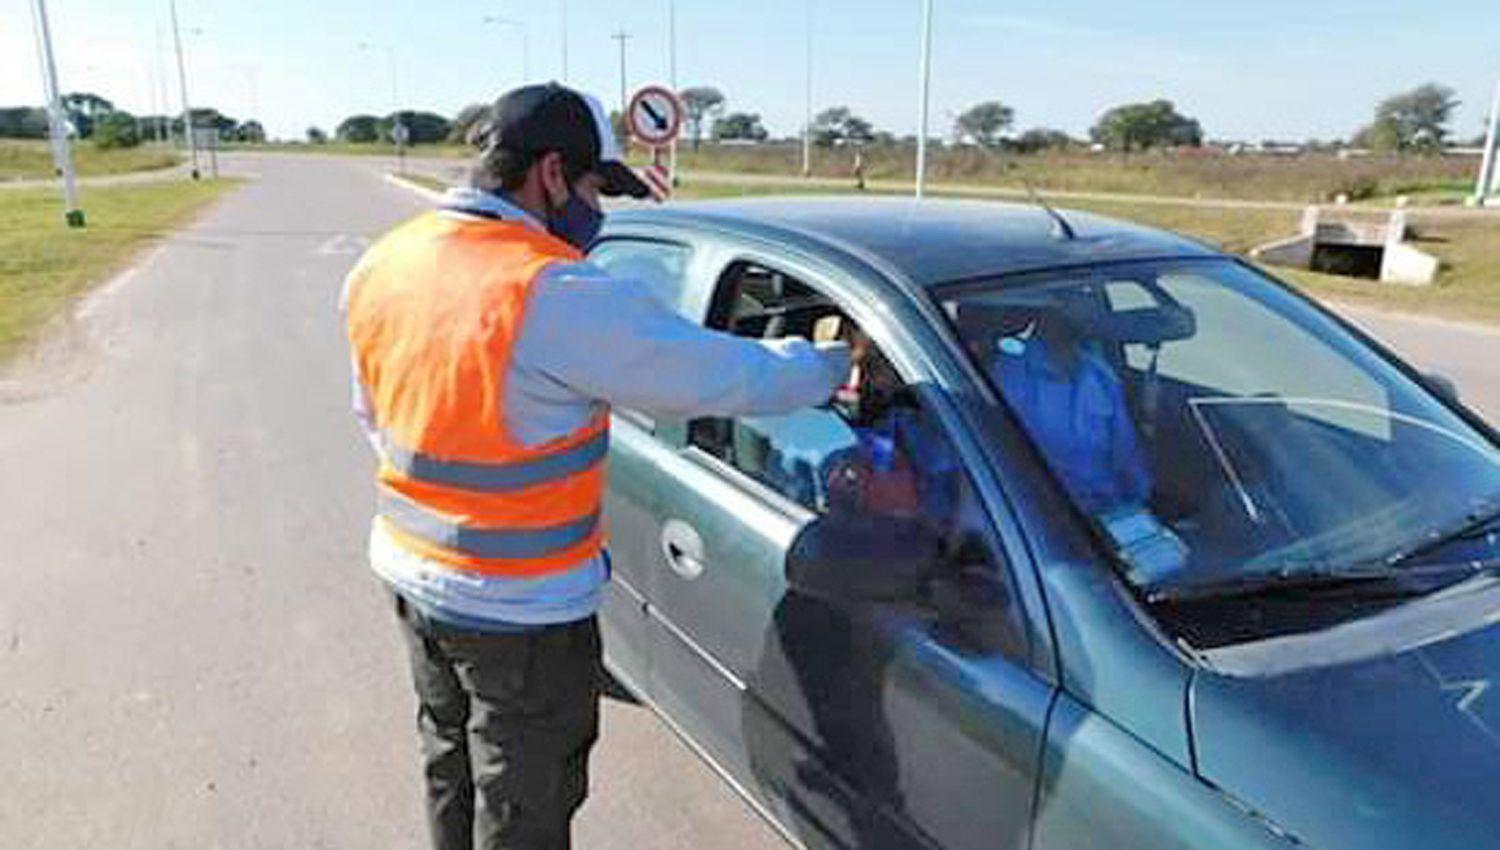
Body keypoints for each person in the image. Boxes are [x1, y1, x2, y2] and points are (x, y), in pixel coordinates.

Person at [342, 83, 849, 850]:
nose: (596, 210)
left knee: (451, 761)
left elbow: (375, 415)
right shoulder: (552, 292)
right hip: (517, 610)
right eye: (588, 186)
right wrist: (833, 362)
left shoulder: (386, 261)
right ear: (549, 174)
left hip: (411, 573)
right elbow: (725, 375)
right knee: (524, 807)